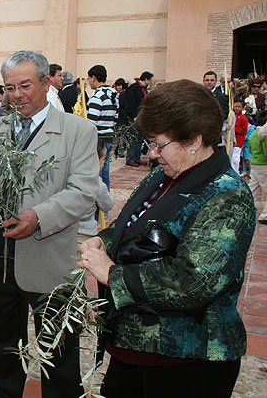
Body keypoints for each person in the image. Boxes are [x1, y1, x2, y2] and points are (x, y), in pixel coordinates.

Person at [79, 79, 255, 398]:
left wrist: (112, 274)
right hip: (134, 349)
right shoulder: (165, 174)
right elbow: (134, 225)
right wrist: (104, 240)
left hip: (186, 359)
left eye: (159, 143)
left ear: (194, 140)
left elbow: (194, 281)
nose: (153, 153)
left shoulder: (227, 195)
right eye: (150, 143)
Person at [0, 50, 99, 398]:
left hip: (49, 257)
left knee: (59, 354)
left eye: (25, 85)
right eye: (9, 88)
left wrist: (39, 217)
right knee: (1, 350)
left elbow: (84, 190)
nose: (17, 95)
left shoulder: (77, 130)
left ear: (46, 82)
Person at [87, 64, 118, 189]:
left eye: (88, 79)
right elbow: (115, 117)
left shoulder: (97, 96)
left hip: (98, 139)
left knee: (96, 173)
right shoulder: (113, 95)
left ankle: (99, 203)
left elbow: (91, 121)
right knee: (105, 172)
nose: (88, 82)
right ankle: (105, 202)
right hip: (109, 136)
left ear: (93, 78)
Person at [77, 140, 115, 245]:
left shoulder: (69, 178)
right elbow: (108, 204)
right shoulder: (97, 184)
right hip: (85, 236)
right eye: (104, 159)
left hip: (64, 234)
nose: (104, 163)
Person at [124, 71, 153, 167]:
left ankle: (137, 157)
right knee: (133, 138)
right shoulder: (134, 88)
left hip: (142, 118)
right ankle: (130, 158)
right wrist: (133, 116)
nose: (150, 82)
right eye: (150, 80)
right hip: (135, 118)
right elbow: (129, 103)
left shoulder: (144, 90)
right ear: (145, 79)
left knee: (140, 138)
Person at [248, 110, 267, 224]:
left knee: (253, 186)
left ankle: (248, 205)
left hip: (255, 163)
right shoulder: (264, 136)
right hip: (264, 164)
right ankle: (265, 215)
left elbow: (250, 149)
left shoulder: (253, 134)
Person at [232, 99, 249, 174]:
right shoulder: (231, 116)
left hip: (238, 141)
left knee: (235, 157)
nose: (237, 108)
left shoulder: (243, 119)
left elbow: (243, 131)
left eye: (239, 106)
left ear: (242, 108)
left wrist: (234, 128)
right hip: (231, 139)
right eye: (236, 106)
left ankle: (236, 171)